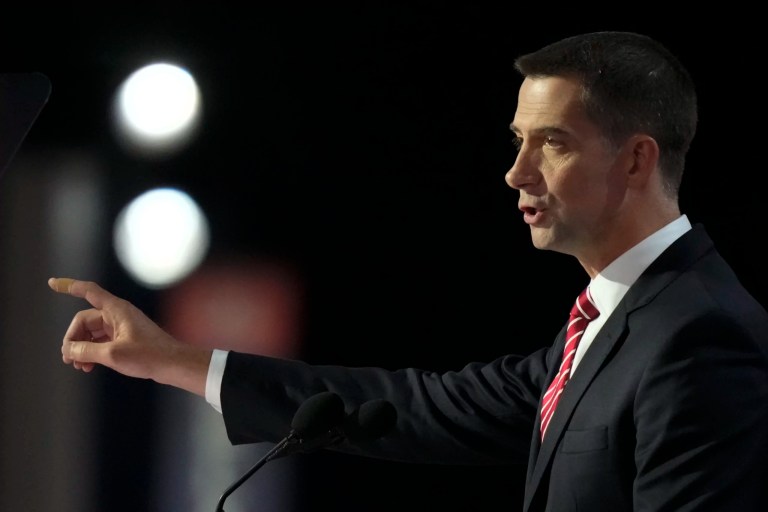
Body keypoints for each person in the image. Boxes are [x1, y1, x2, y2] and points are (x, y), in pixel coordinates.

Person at [49, 31, 768, 511]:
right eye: (518, 142)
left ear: (637, 159)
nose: (517, 173)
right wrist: (172, 359)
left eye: (552, 144)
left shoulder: (696, 334)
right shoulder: (614, 324)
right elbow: (413, 407)